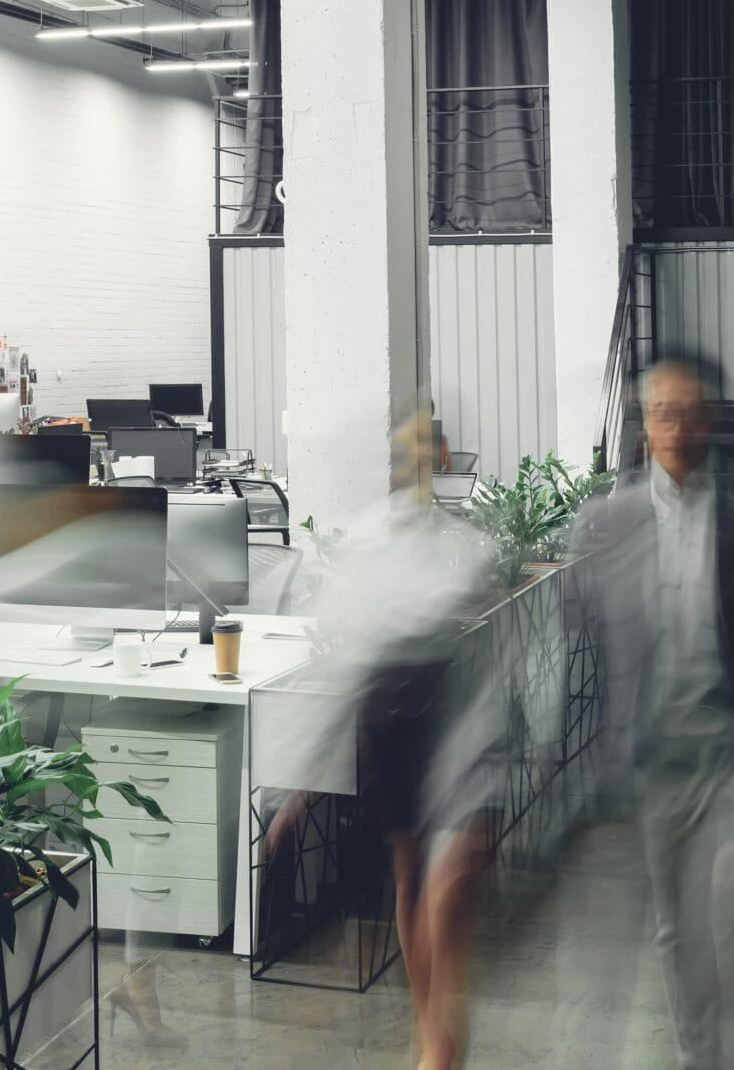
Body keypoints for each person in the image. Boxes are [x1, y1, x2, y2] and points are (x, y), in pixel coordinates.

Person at [569, 354, 734, 1070]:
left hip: (733, 757)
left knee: (726, 925)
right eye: (662, 413)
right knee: (678, 931)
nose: (676, 427)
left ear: (711, 420)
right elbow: (579, 654)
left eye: (689, 413)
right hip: (655, 769)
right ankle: (698, 1054)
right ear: (644, 424)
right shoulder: (604, 528)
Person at [263, 404, 503, 1070]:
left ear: (443, 455)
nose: (418, 456)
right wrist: (300, 788)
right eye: (407, 447)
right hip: (391, 717)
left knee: (448, 884)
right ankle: (430, 1029)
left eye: (428, 444)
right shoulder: (371, 538)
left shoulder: (465, 539)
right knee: (409, 872)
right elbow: (344, 661)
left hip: (453, 716)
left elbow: (485, 644)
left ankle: (439, 1043)